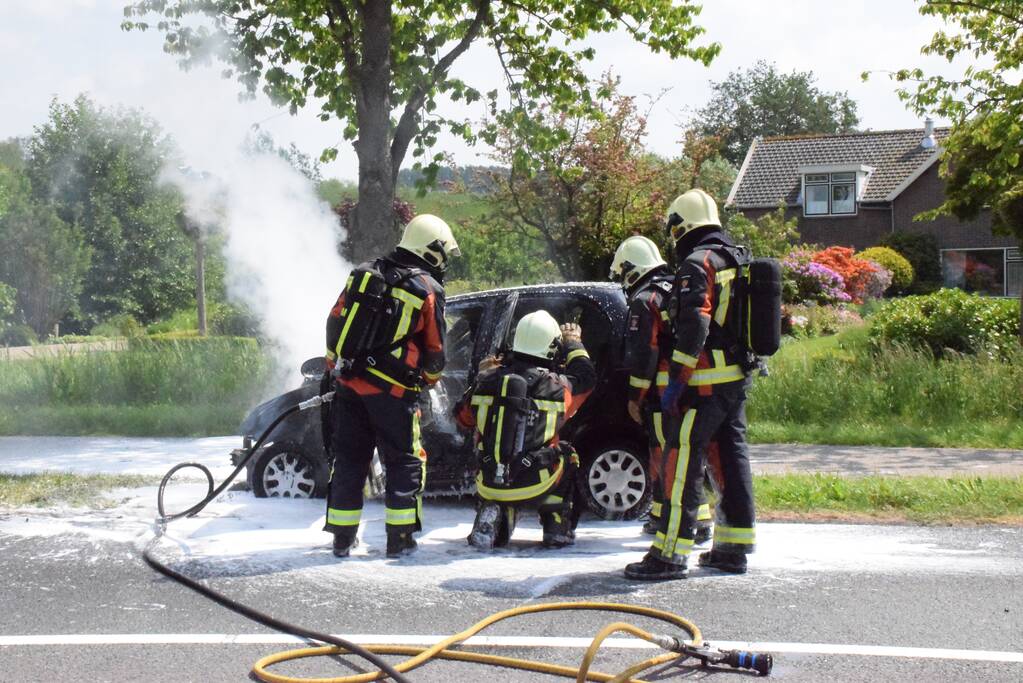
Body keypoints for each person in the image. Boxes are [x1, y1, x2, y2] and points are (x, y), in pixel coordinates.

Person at [625, 189, 757, 580]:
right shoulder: (736, 257)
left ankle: (669, 553)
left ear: (682, 225)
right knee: (731, 460)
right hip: (735, 380)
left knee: (681, 458)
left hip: (703, 384)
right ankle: (733, 548)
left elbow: (695, 322)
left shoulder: (698, 263)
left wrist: (675, 384)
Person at [323, 214, 459, 559]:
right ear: (434, 250)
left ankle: (341, 538)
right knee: (405, 461)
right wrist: (427, 382)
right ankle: (400, 540)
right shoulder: (427, 288)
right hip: (395, 396)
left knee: (350, 460)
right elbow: (436, 351)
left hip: (349, 387)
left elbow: (335, 321)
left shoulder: (364, 273)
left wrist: (337, 368)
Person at [455, 310, 596, 550]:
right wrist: (574, 344)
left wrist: (481, 376)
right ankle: (556, 525)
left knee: (494, 463)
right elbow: (587, 378)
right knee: (568, 455)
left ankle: (498, 513)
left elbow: (463, 419)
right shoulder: (557, 388)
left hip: (489, 480)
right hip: (536, 480)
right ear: (552, 347)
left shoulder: (486, 381)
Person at [609, 236, 713, 545]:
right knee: (683, 455)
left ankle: (683, 520)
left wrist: (634, 397)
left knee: (665, 455)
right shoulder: (673, 286)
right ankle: (672, 515)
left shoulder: (645, 299)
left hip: (664, 390)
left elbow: (645, 354)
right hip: (691, 385)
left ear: (630, 269)